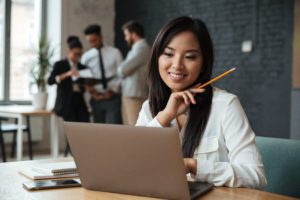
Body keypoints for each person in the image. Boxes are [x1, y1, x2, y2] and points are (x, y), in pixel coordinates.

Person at [136, 16, 267, 188]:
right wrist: (165, 116)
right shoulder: (149, 108)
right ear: (156, 58)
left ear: (203, 63)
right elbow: (135, 165)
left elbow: (255, 176)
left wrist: (193, 166)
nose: (177, 65)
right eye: (168, 54)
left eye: (190, 57)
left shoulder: (226, 105)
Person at [48, 36, 89, 156]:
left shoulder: (82, 67)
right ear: (69, 51)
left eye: (80, 54)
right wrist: (67, 74)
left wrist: (85, 85)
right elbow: (50, 81)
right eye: (76, 54)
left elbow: (84, 85)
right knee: (72, 128)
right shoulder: (60, 65)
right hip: (66, 102)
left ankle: (82, 152)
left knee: (85, 124)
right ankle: (75, 154)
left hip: (79, 100)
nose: (78, 57)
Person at [81, 24, 123, 124]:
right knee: (98, 132)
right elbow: (83, 79)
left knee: (113, 131)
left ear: (101, 37)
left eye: (94, 40)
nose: (92, 44)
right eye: (89, 41)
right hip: (96, 99)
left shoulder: (115, 53)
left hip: (113, 98)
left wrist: (113, 91)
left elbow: (121, 75)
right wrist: (93, 93)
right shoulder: (86, 57)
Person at [117, 21, 151, 125]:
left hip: (135, 94)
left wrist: (123, 70)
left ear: (134, 34)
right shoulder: (136, 48)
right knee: (128, 127)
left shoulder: (142, 48)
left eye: (126, 35)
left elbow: (122, 69)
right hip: (130, 93)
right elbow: (124, 70)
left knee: (134, 127)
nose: (125, 38)